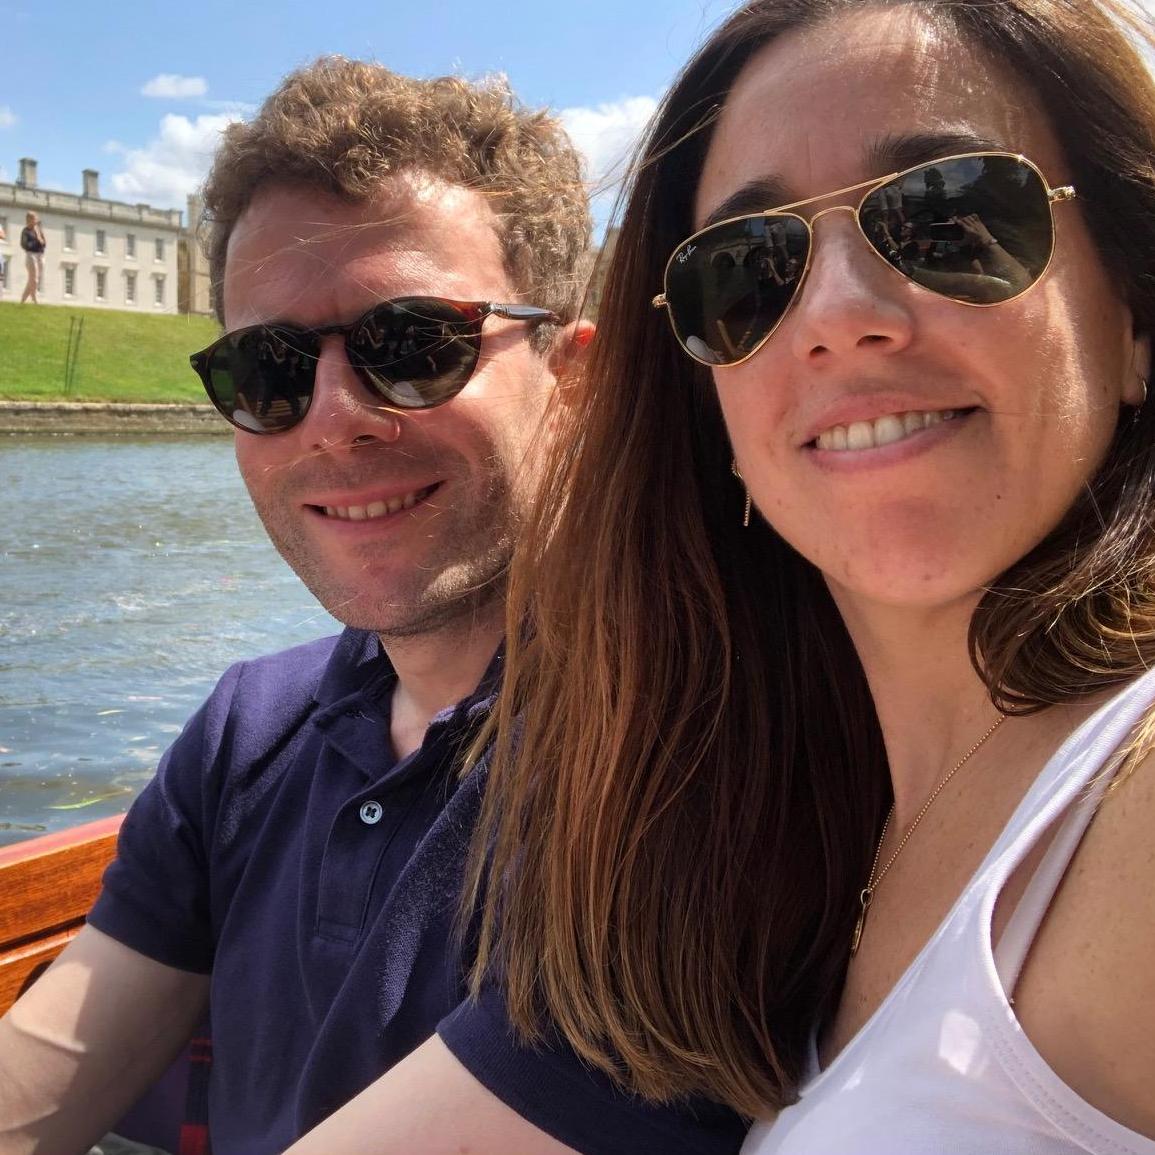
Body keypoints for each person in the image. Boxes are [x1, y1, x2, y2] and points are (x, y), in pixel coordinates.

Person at [0, 58, 747, 1155]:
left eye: (413, 346)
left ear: (575, 378)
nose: (332, 420)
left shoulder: (695, 749)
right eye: (269, 370)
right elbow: (48, 1076)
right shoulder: (247, 729)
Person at [473, 0, 1155, 1150]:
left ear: (1135, 319)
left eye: (947, 216)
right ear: (713, 408)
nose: (835, 313)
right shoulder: (783, 832)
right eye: (746, 270)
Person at [19, 212, 45, 304]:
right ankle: (34, 298)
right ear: (29, 220)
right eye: (34, 219)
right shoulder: (25, 231)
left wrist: (40, 239)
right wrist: (35, 242)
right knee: (34, 279)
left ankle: (23, 300)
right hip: (31, 255)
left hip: (40, 255)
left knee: (34, 279)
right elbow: (24, 244)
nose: (36, 221)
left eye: (36, 219)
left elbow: (44, 243)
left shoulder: (38, 230)